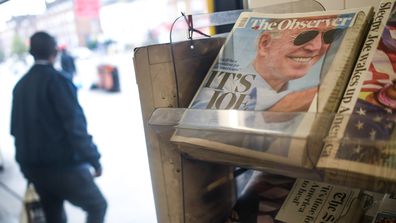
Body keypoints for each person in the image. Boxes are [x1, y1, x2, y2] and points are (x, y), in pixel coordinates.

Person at [10, 31, 107, 223]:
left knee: (53, 216)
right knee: (97, 205)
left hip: (32, 168)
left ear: (31, 53)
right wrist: (93, 160)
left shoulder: (20, 86)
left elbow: (14, 130)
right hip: (62, 167)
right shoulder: (58, 81)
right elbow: (75, 127)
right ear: (55, 52)